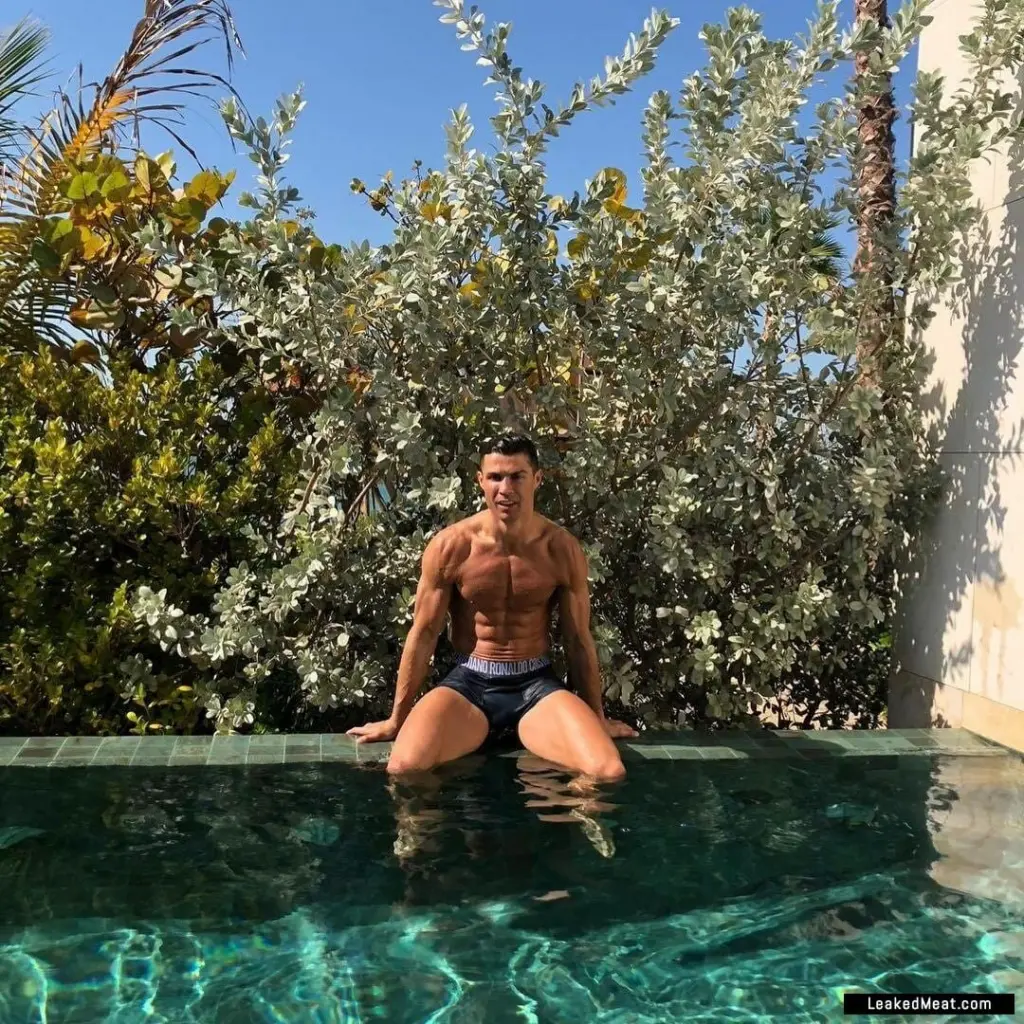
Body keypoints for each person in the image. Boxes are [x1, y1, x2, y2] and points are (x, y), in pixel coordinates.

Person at [347, 433, 637, 781]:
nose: (505, 489)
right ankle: (430, 822)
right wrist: (397, 719)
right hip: (470, 685)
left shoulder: (560, 549)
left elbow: (577, 639)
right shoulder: (452, 546)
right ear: (480, 481)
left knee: (606, 771)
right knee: (404, 769)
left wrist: (596, 717)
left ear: (537, 479)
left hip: (536, 687)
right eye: (496, 477)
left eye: (517, 476)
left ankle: (565, 813)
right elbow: (423, 634)